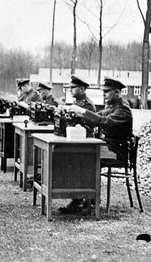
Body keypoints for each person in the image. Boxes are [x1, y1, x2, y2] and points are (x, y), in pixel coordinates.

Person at [62, 77, 133, 214]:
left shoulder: (123, 109)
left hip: (116, 152)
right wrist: (79, 114)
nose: (104, 95)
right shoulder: (113, 107)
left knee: (83, 157)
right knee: (80, 154)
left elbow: (104, 121)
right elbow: (97, 116)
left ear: (117, 93)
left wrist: (82, 111)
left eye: (107, 92)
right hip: (109, 147)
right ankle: (87, 198)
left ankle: (83, 199)